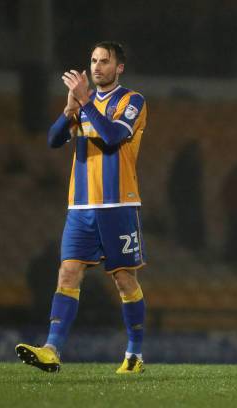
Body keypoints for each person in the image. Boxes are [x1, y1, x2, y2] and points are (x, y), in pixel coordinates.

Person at [16, 41, 148, 374]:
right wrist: (68, 110)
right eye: (93, 60)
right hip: (80, 205)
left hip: (117, 204)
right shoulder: (83, 104)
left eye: (105, 61)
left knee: (123, 281)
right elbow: (54, 140)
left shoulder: (132, 101)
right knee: (68, 272)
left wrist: (86, 102)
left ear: (119, 68)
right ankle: (51, 349)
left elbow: (113, 137)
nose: (97, 67)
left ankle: (134, 354)